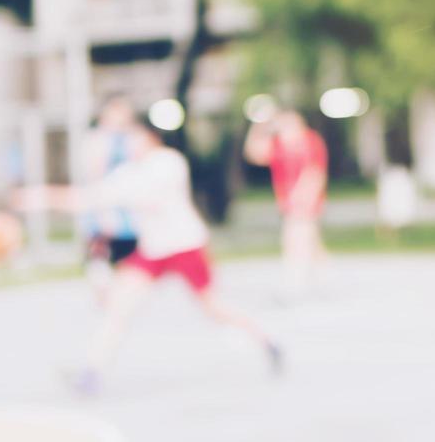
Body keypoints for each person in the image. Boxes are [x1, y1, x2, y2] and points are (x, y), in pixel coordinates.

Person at [17, 117, 282, 395]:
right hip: (154, 250)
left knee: (213, 308)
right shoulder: (128, 173)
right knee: (120, 307)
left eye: (134, 137)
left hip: (184, 245)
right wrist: (43, 197)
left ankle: (268, 341)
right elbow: (89, 198)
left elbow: (129, 194)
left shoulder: (168, 163)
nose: (130, 144)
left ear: (150, 137)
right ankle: (92, 371)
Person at [244, 109, 330, 300]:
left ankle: (296, 280)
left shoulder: (310, 140)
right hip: (287, 200)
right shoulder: (279, 145)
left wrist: (303, 197)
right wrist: (258, 127)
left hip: (304, 200)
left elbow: (315, 171)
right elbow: (254, 154)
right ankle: (323, 276)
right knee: (309, 239)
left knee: (295, 237)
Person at [83, 95, 139, 296]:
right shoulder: (99, 140)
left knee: (129, 261)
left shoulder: (132, 137)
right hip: (106, 206)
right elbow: (94, 176)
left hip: (129, 208)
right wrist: (102, 211)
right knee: (101, 255)